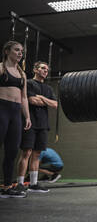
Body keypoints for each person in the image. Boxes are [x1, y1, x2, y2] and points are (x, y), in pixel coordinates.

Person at [16, 61, 57, 193]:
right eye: (43, 68)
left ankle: (33, 184)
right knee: (26, 152)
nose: (46, 71)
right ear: (35, 69)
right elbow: (32, 101)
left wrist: (42, 98)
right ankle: (20, 184)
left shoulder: (49, 89)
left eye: (47, 69)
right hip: (30, 123)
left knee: (37, 154)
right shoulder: (28, 83)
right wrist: (45, 101)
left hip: (43, 125)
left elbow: (55, 104)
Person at [0, 41, 32, 198]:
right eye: (17, 50)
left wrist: (27, 116)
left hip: (15, 114)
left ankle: (7, 186)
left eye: (22, 51)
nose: (20, 53)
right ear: (7, 51)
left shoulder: (22, 74)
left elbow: (24, 97)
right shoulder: (0, 68)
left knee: (12, 151)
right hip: (1, 110)